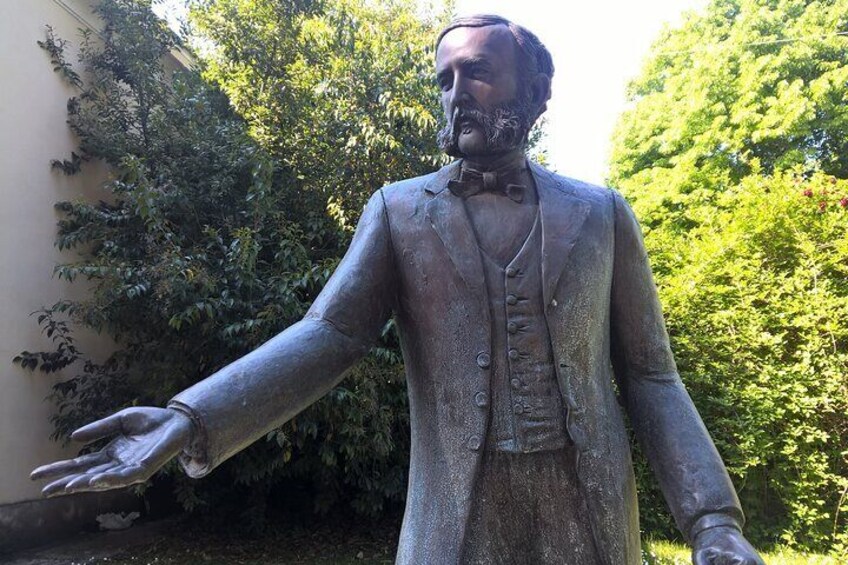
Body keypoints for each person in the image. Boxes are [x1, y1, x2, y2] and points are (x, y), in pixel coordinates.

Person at [31, 14, 765, 565]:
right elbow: (330, 335)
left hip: (590, 508)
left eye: (477, 72)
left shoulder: (601, 213)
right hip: (457, 514)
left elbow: (651, 374)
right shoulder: (399, 210)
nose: (456, 94)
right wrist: (192, 418)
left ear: (534, 92)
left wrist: (713, 521)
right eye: (444, 80)